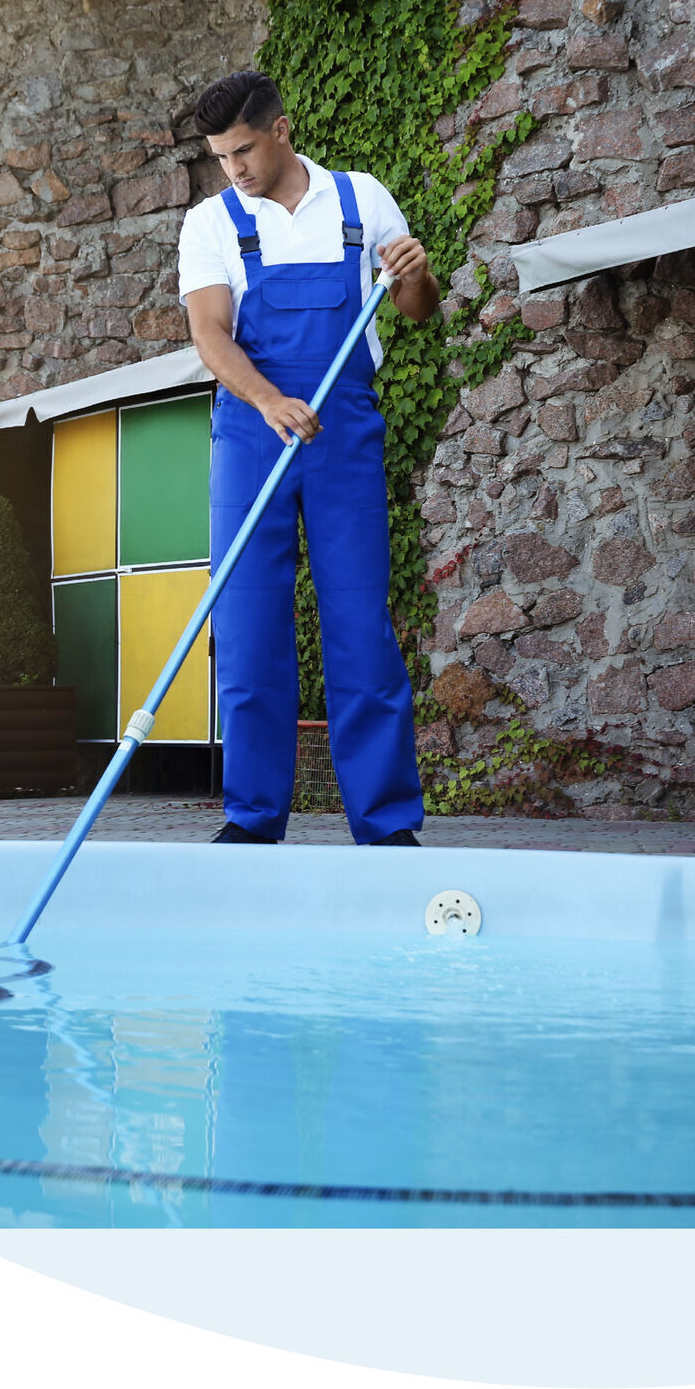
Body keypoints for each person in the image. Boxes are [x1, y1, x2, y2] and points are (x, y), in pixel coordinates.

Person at [177, 70, 438, 845]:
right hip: (253, 434)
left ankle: (387, 824)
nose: (236, 170)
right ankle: (253, 820)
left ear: (282, 131)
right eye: (222, 158)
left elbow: (416, 310)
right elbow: (210, 336)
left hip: (343, 431)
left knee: (360, 624)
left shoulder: (360, 199)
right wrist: (265, 400)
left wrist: (417, 279)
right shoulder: (211, 224)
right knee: (251, 624)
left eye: (245, 150)